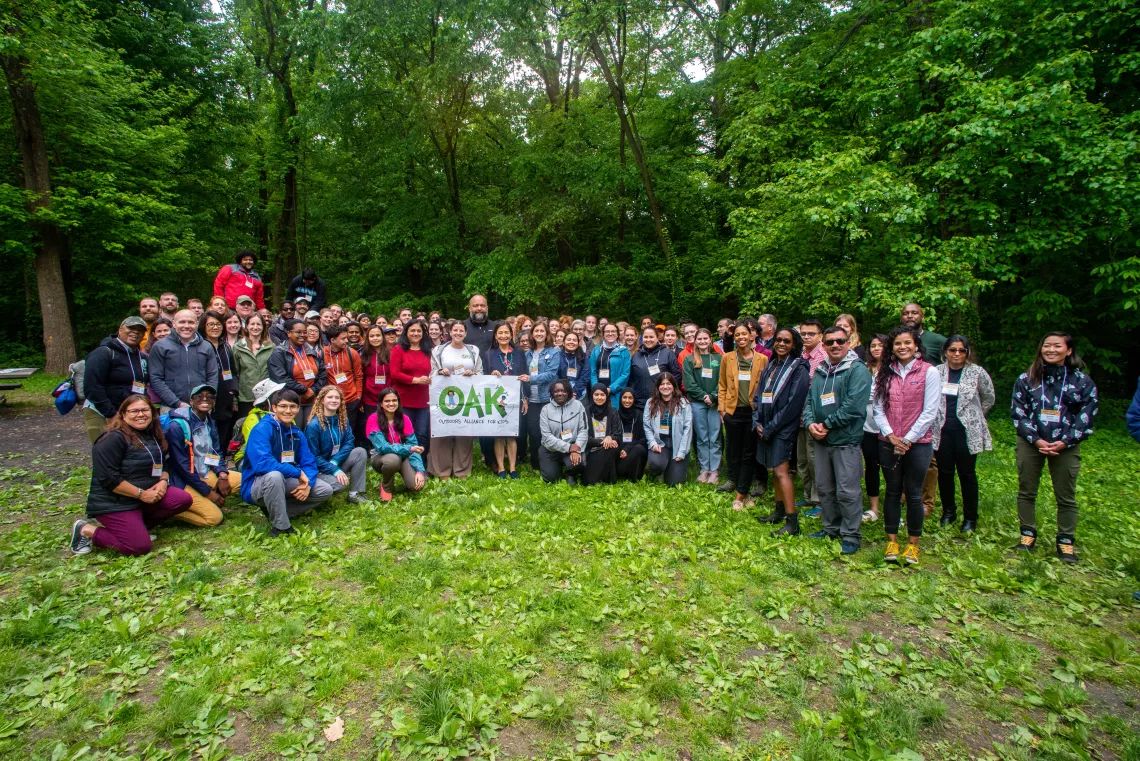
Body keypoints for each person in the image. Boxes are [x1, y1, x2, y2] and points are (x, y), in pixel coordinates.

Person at [1010, 332, 1098, 562]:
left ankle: (1065, 540)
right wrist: (1035, 439)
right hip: (1031, 442)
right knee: (1026, 490)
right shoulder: (1027, 378)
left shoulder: (1082, 381)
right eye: (1046, 346)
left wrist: (1066, 441)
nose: (1051, 350)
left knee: (1066, 494)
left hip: (1065, 445)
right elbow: (1018, 412)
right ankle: (1027, 534)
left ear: (1068, 351)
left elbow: (1087, 415)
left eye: (1057, 346)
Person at [70, 395, 194, 556]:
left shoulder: (153, 435)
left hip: (144, 495)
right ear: (123, 414)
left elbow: (165, 463)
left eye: (145, 410)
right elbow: (108, 479)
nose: (140, 415)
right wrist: (141, 494)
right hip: (115, 501)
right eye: (134, 411)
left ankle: (136, 528)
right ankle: (86, 530)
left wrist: (163, 480)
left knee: (181, 499)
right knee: (138, 547)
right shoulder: (112, 439)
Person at [873, 325, 940, 565]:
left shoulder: (929, 372)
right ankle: (892, 541)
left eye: (907, 343)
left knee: (913, 494)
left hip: (918, 443)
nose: (902, 347)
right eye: (898, 343)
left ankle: (913, 545)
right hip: (888, 442)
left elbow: (930, 411)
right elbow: (878, 407)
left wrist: (908, 439)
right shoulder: (885, 372)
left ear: (916, 346)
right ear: (892, 347)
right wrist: (891, 435)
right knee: (891, 492)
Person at [802, 326, 872, 552]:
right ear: (824, 345)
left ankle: (850, 534)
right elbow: (810, 401)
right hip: (821, 440)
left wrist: (827, 424)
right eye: (830, 342)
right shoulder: (821, 370)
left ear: (848, 342)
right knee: (824, 487)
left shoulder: (857, 370)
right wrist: (810, 423)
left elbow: (854, 406)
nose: (835, 345)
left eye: (840, 341)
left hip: (845, 440)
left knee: (847, 490)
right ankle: (831, 527)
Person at [240, 388, 335, 536]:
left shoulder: (296, 432)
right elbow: (263, 464)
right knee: (274, 476)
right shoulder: (262, 429)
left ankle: (278, 511)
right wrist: (297, 472)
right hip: (256, 483)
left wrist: (308, 484)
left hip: (285, 480)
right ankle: (281, 527)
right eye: (283, 406)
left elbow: (309, 462)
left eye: (293, 406)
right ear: (274, 408)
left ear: (298, 408)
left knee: (325, 490)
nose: (288, 411)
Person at [931, 335, 995, 534]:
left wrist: (974, 416)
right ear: (945, 352)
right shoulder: (936, 372)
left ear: (967, 353)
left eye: (961, 350)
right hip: (942, 430)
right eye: (952, 350)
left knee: (967, 474)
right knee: (945, 473)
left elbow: (989, 397)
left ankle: (970, 517)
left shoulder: (977, 373)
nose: (957, 354)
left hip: (966, 432)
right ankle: (948, 512)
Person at [754, 328, 811, 526]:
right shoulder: (772, 365)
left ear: (794, 344)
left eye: (786, 341)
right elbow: (759, 395)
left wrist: (771, 427)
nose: (781, 344)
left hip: (783, 428)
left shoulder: (799, 368)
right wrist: (758, 422)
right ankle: (779, 512)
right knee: (774, 471)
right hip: (766, 425)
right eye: (778, 340)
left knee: (781, 471)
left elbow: (793, 404)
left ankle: (792, 522)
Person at [164, 384, 242, 527]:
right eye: (199, 396)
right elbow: (182, 468)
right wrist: (208, 493)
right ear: (191, 401)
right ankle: (171, 510)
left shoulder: (210, 421)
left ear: (214, 402)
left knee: (244, 480)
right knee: (214, 518)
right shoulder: (177, 427)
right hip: (183, 480)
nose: (205, 399)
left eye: (210, 396)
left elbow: (216, 451)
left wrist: (222, 475)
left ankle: (202, 496)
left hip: (204, 472)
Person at [718, 322, 767, 506]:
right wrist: (722, 409)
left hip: (753, 413)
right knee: (733, 452)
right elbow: (722, 384)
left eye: (744, 334)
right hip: (732, 411)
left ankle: (742, 493)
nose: (741, 338)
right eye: (737, 335)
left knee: (749, 453)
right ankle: (739, 485)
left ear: (751, 335)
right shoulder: (728, 358)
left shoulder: (762, 359)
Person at [428, 321, 484, 479]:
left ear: (465, 333)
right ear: (450, 332)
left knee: (465, 432)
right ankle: (441, 471)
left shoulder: (472, 351)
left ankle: (462, 471)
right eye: (455, 330)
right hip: (443, 397)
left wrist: (471, 374)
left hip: (467, 397)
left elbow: (480, 372)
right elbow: (432, 373)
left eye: (461, 331)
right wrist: (440, 371)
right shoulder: (439, 351)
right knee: (441, 431)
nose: (458, 333)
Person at [82, 316, 150, 444]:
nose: (135, 332)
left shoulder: (141, 358)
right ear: (120, 330)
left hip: (130, 413)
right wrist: (111, 413)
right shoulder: (103, 353)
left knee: (128, 452)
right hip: (102, 412)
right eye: (131, 328)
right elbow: (92, 387)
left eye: (140, 330)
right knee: (106, 451)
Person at [304, 386, 369, 503]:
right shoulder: (313, 426)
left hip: (336, 462)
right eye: (330, 397)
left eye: (337, 398)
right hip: (319, 469)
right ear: (322, 400)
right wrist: (332, 469)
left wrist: (334, 462)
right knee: (340, 485)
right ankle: (317, 490)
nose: (334, 400)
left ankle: (354, 494)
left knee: (360, 451)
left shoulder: (343, 420)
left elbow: (350, 442)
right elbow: (313, 456)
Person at [149, 309, 219, 411]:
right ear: (174, 323)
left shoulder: (206, 346)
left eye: (190, 322)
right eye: (182, 322)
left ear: (197, 324)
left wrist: (206, 399)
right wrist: (177, 403)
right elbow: (155, 378)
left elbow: (212, 375)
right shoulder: (160, 346)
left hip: (201, 406)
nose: (186, 326)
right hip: (171, 407)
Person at [487, 321, 529, 478]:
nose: (503, 336)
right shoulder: (489, 354)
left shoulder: (518, 353)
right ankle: (501, 468)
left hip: (516, 398)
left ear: (511, 335)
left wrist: (525, 399)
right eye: (500, 333)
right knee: (499, 433)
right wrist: (491, 375)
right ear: (496, 336)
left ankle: (512, 468)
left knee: (511, 434)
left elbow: (524, 374)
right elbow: (483, 376)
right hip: (497, 398)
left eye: (506, 333)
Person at [368, 388, 427, 500]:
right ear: (381, 403)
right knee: (392, 460)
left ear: (398, 402)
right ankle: (386, 486)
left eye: (394, 400)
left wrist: (420, 471)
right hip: (380, 457)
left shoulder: (405, 419)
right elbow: (383, 448)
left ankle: (409, 476)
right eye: (387, 401)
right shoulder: (373, 419)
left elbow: (414, 445)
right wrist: (409, 449)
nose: (391, 403)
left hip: (403, 455)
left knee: (415, 486)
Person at [268, 318, 327, 427]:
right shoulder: (280, 352)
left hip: (312, 399)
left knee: (311, 429)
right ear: (289, 333)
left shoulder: (311, 351)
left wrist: (313, 390)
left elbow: (323, 373)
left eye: (305, 332)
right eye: (298, 332)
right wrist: (304, 390)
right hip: (290, 401)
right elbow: (280, 378)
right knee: (294, 430)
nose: (302, 335)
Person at [682, 328, 722, 484]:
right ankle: (704, 468)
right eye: (700, 339)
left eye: (705, 338)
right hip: (698, 403)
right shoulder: (689, 360)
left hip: (715, 403)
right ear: (695, 341)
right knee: (702, 437)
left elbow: (723, 381)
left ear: (710, 339)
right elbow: (689, 383)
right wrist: (703, 396)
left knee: (715, 436)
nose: (703, 341)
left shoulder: (719, 358)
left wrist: (712, 396)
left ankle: (714, 470)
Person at [198, 311, 240, 454]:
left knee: (223, 435)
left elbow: (234, 372)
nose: (215, 327)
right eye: (211, 324)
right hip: (207, 399)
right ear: (204, 326)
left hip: (226, 398)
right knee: (207, 436)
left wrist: (233, 390)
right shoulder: (200, 346)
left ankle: (220, 465)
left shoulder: (225, 346)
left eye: (218, 324)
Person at [390, 319, 434, 452]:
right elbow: (395, 373)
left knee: (422, 434)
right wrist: (416, 380)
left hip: (425, 400)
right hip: (405, 399)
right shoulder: (398, 350)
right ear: (406, 332)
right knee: (406, 433)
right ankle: (406, 464)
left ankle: (422, 464)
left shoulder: (429, 351)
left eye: (419, 331)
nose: (416, 333)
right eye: (412, 330)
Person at [644, 374, 693, 487]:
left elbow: (688, 429)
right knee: (656, 464)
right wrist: (653, 443)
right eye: (662, 384)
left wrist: (681, 452)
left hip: (678, 443)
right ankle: (659, 471)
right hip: (660, 443)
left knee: (674, 483)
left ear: (673, 386)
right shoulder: (650, 403)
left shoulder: (683, 403)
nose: (665, 387)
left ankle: (672, 469)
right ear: (658, 387)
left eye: (668, 384)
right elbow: (647, 426)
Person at [524, 322, 561, 468]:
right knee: (534, 433)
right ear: (532, 334)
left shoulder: (554, 352)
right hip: (531, 399)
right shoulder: (527, 354)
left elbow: (551, 374)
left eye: (542, 331)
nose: (539, 333)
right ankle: (535, 464)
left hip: (547, 398)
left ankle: (552, 462)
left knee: (550, 432)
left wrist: (531, 379)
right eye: (536, 331)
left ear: (547, 334)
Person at [538, 379, 588, 484]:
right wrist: (568, 448)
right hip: (551, 449)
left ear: (569, 392)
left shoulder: (578, 405)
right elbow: (547, 437)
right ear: (552, 393)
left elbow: (583, 430)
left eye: (563, 391)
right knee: (551, 479)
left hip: (573, 445)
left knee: (579, 463)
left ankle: (570, 473)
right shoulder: (545, 410)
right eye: (556, 391)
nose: (560, 393)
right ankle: (558, 467)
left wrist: (576, 449)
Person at [861, 334, 888, 523]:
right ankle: (873, 508)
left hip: (888, 426)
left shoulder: (893, 371)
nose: (876, 349)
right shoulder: (865, 369)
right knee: (871, 466)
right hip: (867, 424)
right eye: (873, 345)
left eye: (880, 345)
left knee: (890, 468)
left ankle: (894, 507)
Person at [629, 326, 682, 414]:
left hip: (662, 401)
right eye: (646, 337)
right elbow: (631, 379)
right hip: (640, 403)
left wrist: (669, 394)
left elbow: (676, 376)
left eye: (651, 337)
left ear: (657, 338)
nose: (648, 339)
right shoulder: (636, 355)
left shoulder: (667, 353)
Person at [322, 324, 363, 433]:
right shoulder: (322, 353)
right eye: (343, 339)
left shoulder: (352, 353)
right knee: (331, 430)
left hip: (350, 399)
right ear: (332, 340)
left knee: (348, 431)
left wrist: (358, 396)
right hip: (331, 400)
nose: (346, 341)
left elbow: (359, 376)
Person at [235, 379, 284, 468]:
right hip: (249, 459)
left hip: (279, 457)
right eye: (276, 395)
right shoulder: (253, 419)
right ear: (267, 400)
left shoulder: (285, 415)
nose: (281, 398)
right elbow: (256, 448)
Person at [235, 312, 273, 421]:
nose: (255, 327)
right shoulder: (238, 347)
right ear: (247, 326)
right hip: (245, 397)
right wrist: (234, 399)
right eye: (252, 324)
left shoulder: (271, 347)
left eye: (258, 324)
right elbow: (235, 373)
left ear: (263, 327)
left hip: (266, 396)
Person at [359, 325, 391, 451]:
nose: (375, 338)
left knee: (387, 423)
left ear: (382, 337)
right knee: (372, 424)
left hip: (387, 396)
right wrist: (361, 400)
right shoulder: (363, 354)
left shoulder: (391, 352)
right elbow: (360, 378)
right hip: (369, 397)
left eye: (378, 335)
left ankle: (387, 449)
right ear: (368, 338)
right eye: (372, 336)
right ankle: (373, 451)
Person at [583, 384, 621, 485]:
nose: (599, 397)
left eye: (602, 395)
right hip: (592, 450)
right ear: (592, 396)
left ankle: (600, 479)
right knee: (610, 446)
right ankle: (603, 478)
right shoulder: (586, 411)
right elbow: (584, 437)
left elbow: (617, 433)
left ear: (606, 396)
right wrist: (602, 441)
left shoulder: (612, 411)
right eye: (596, 394)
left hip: (609, 448)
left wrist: (610, 437)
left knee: (612, 447)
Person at [589, 323, 632, 405]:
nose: (610, 333)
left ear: (617, 334)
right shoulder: (596, 350)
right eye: (607, 331)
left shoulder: (624, 351)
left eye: (613, 331)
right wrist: (596, 389)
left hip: (615, 393)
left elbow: (625, 374)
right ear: (603, 334)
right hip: (598, 394)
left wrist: (611, 389)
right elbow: (592, 372)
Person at [462, 294, 495, 358]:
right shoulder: (461, 327)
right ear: (469, 308)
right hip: (469, 367)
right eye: (475, 306)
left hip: (492, 367)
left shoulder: (495, 327)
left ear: (487, 308)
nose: (479, 308)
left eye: (482, 305)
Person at [559, 331, 590, 400]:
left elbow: (585, 377)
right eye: (568, 340)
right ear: (563, 343)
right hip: (560, 392)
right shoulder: (557, 356)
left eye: (574, 340)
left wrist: (574, 392)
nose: (571, 342)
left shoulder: (584, 357)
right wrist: (564, 391)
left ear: (578, 343)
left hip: (579, 393)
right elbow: (555, 375)